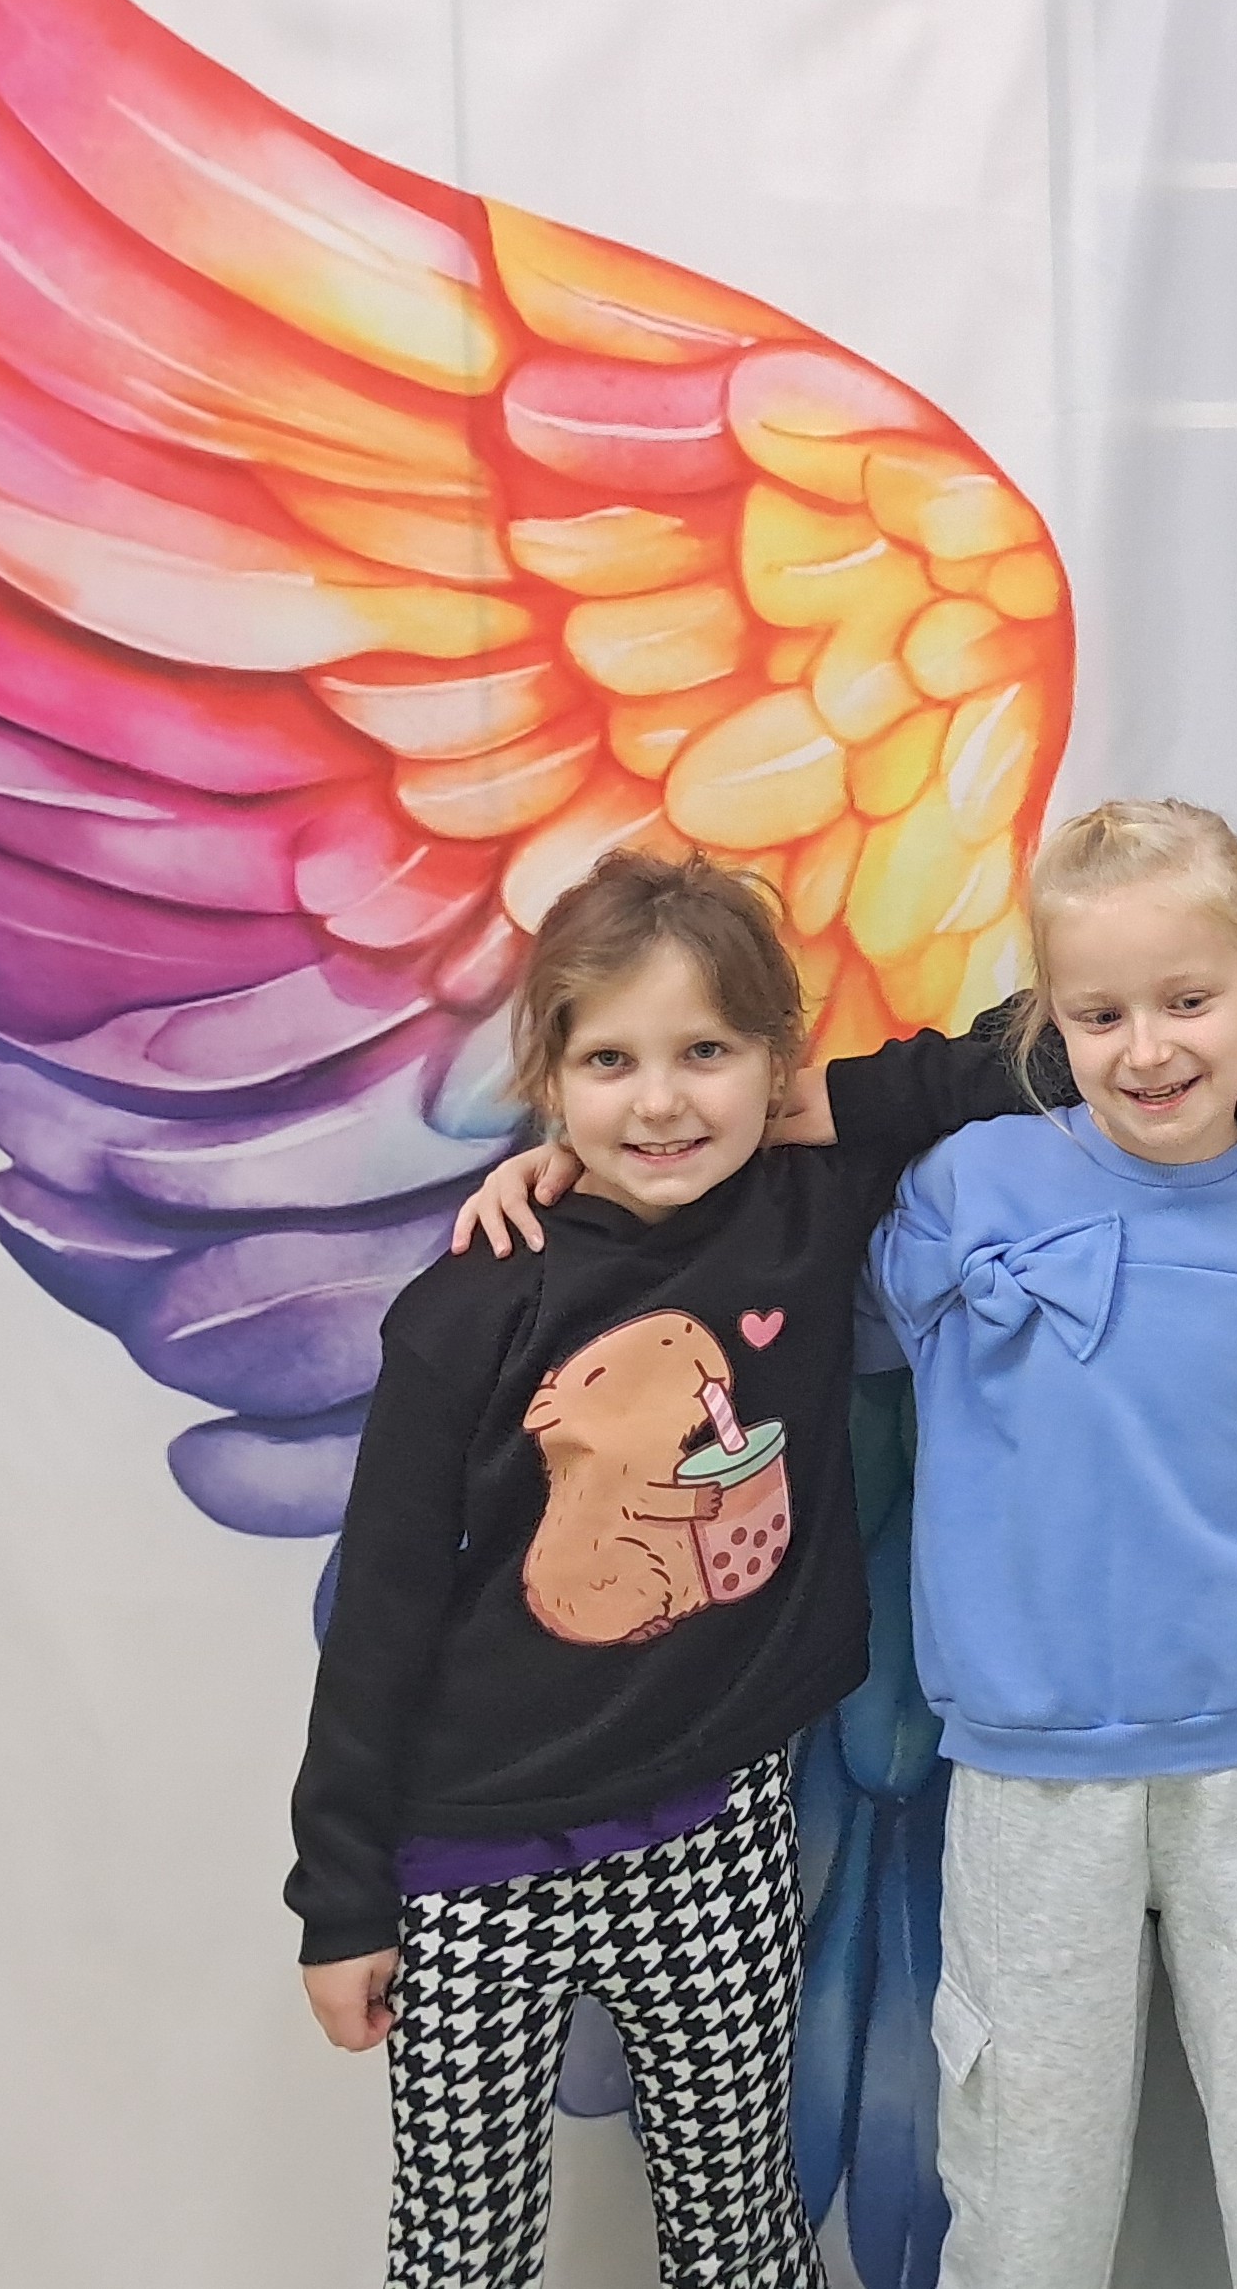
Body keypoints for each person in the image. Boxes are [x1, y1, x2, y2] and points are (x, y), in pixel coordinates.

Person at [287, 848, 1076, 2289]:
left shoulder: (810, 1203)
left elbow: (1052, 1050)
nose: (660, 1101)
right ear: (551, 1076)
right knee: (461, 2249)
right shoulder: (471, 1304)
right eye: (612, 1060)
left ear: (774, 1060)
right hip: (471, 1858)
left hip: (713, 1826)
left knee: (740, 2230)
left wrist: (838, 1101)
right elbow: (383, 1617)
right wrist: (341, 1898)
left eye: (706, 1051)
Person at [866, 797, 1237, 2289]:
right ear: (1049, 1020)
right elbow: (774, 1259)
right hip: (1032, 1761)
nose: (1148, 1049)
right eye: (1100, 1013)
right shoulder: (968, 1185)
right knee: (1024, 2176)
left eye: (1189, 1001)